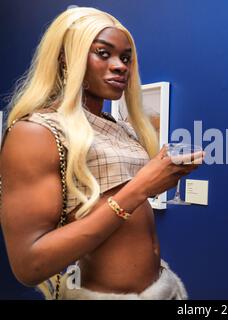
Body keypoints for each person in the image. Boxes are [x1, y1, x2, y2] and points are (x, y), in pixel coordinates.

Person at [0, 7, 203, 300]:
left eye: (125, 57)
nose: (120, 66)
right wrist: (142, 187)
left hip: (161, 287)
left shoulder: (120, 128)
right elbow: (29, 265)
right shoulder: (36, 132)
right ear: (66, 58)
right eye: (103, 53)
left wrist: (163, 175)